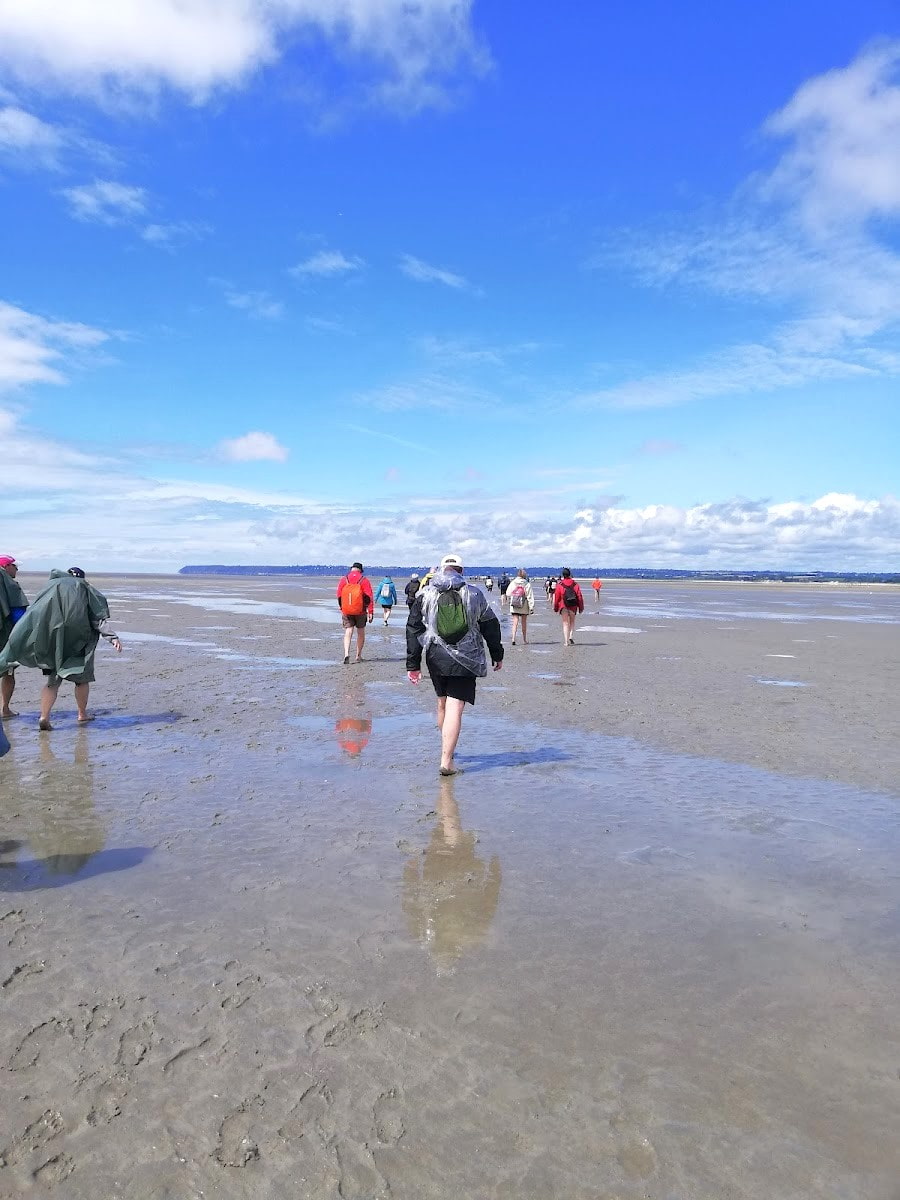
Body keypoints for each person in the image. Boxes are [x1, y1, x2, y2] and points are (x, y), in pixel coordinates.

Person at [406, 554, 503, 776]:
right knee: (455, 708)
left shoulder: (426, 594)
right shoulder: (474, 593)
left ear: (441, 569)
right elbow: (490, 624)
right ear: (461, 570)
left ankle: (446, 750)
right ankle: (447, 760)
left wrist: (413, 664)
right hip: (467, 657)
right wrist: (497, 654)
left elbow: (413, 629)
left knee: (442, 703)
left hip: (435, 656)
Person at [0, 567, 122, 730]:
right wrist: (112, 638)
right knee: (81, 680)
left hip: (52, 643)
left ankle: (44, 716)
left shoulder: (50, 588)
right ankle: (82, 714)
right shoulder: (84, 588)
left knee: (52, 682)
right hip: (78, 643)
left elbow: (33, 615)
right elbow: (97, 619)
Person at [0, 555, 28, 719]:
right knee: (8, 671)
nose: (17, 569)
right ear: (6, 566)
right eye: (15, 566)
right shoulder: (9, 583)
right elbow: (18, 613)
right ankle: (5, 708)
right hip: (4, 634)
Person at [336, 562, 374, 664]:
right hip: (360, 611)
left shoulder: (344, 579)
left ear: (351, 569)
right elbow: (369, 597)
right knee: (360, 632)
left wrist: (342, 608)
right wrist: (370, 612)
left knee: (348, 631)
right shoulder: (364, 580)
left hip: (347, 610)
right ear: (361, 570)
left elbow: (339, 595)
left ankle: (346, 653)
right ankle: (358, 656)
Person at [553, 568, 584, 646]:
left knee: (565, 623)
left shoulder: (560, 585)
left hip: (563, 606)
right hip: (573, 606)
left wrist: (556, 607)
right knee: (572, 621)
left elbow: (557, 597)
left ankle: (566, 642)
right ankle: (571, 635)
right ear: (569, 574)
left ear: (563, 575)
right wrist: (581, 607)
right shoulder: (575, 584)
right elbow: (579, 596)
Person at [507, 569, 535, 645]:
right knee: (524, 623)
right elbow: (530, 596)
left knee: (515, 622)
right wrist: (531, 607)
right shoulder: (527, 584)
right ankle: (524, 639)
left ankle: (513, 638)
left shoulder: (513, 582)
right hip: (524, 605)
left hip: (515, 604)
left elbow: (508, 593)